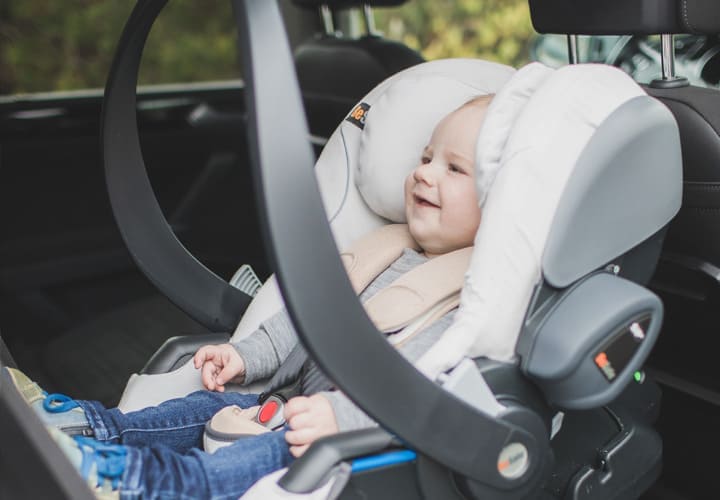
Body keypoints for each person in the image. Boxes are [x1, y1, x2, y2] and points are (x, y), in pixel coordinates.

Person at [4, 94, 493, 499]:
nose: (425, 174)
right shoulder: (382, 247)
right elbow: (298, 324)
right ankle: (90, 430)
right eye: (426, 158)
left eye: (454, 168)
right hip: (283, 400)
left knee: (255, 457)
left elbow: (421, 388)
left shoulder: (468, 297)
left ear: (496, 199)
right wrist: (244, 356)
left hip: (346, 439)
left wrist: (339, 417)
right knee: (194, 410)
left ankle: (138, 483)